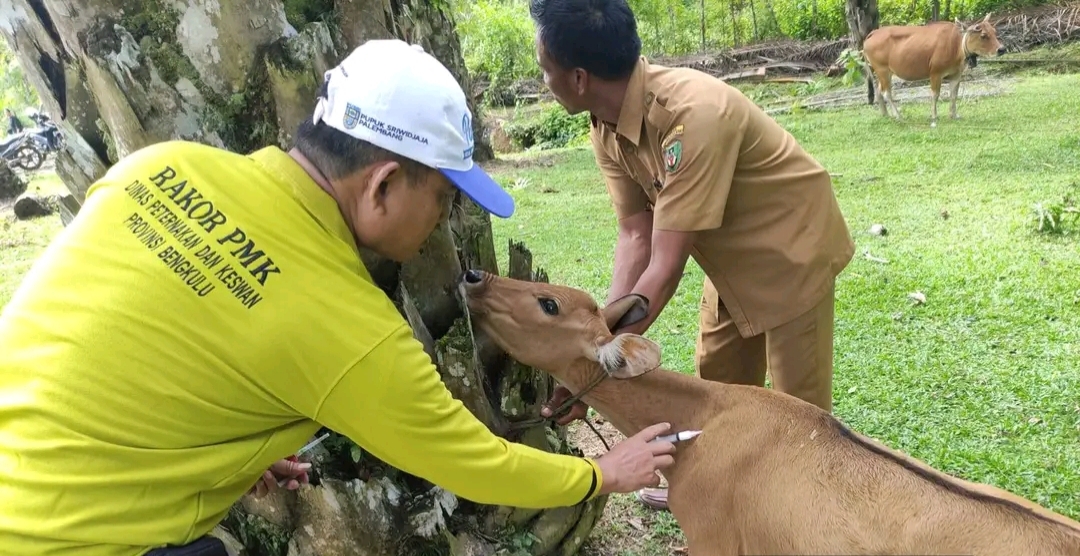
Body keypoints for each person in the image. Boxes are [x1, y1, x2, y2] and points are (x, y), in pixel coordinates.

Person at [0, 39, 678, 555]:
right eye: (441, 199)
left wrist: (228, 434)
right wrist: (604, 475)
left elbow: (133, 329)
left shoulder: (160, 166)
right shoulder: (355, 333)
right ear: (383, 186)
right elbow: (483, 466)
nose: (441, 223)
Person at [529, 0, 855, 511]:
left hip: (793, 249)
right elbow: (636, 235)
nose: (542, 79)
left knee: (800, 414)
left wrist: (591, 364)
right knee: (717, 387)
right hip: (728, 261)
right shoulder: (605, 124)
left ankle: (805, 513)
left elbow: (662, 269)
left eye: (544, 70)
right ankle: (713, 486)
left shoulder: (692, 115)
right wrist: (597, 338)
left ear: (577, 78)